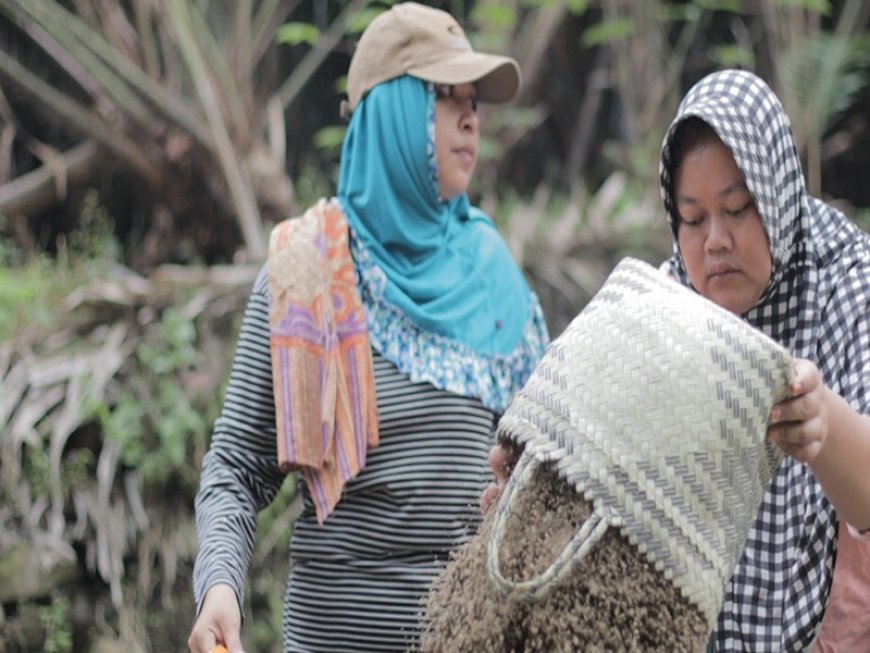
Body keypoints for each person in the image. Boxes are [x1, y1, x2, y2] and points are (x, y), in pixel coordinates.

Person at [186, 3, 548, 653]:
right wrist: (219, 587)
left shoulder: (496, 280)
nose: (470, 118)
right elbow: (237, 467)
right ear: (391, 113)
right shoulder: (306, 273)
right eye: (446, 97)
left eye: (474, 102)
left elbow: (545, 479)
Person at [484, 69, 870, 652]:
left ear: (779, 196)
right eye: (692, 218)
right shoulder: (660, 306)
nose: (714, 240)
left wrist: (822, 424)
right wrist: (533, 478)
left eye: (737, 209)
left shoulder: (848, 287)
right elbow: (592, 452)